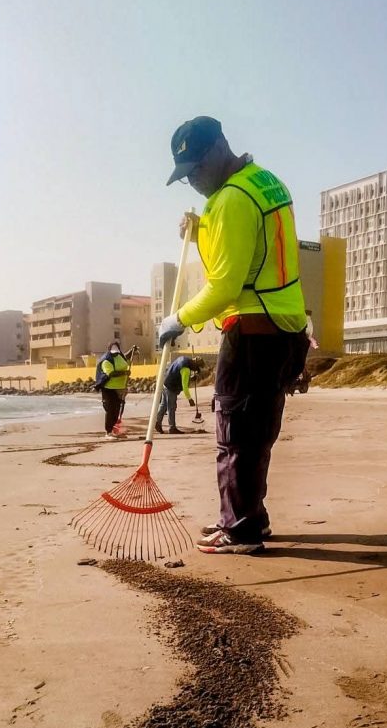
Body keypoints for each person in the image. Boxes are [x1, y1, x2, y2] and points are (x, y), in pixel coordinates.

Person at [158, 116, 309, 555]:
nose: (194, 180)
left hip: (253, 328)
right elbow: (253, 248)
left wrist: (178, 319)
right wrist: (203, 229)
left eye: (197, 168)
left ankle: (240, 529)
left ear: (220, 147)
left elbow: (224, 286)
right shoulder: (264, 181)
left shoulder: (230, 199)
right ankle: (250, 517)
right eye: (186, 175)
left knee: (236, 433)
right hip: (286, 328)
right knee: (257, 432)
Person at [155, 356, 203, 434]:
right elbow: (184, 386)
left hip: (165, 383)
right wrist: (190, 399)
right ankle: (172, 428)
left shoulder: (183, 359)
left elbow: (178, 374)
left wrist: (190, 378)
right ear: (195, 365)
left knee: (163, 405)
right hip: (171, 387)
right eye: (196, 369)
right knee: (171, 407)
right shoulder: (186, 370)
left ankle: (157, 422)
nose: (194, 370)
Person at [96, 341, 130, 438]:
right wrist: (125, 373)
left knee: (116, 410)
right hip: (108, 388)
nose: (115, 354)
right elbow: (110, 373)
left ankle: (114, 431)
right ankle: (108, 432)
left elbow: (125, 358)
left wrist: (132, 350)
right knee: (110, 410)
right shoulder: (106, 360)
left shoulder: (120, 356)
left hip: (120, 388)